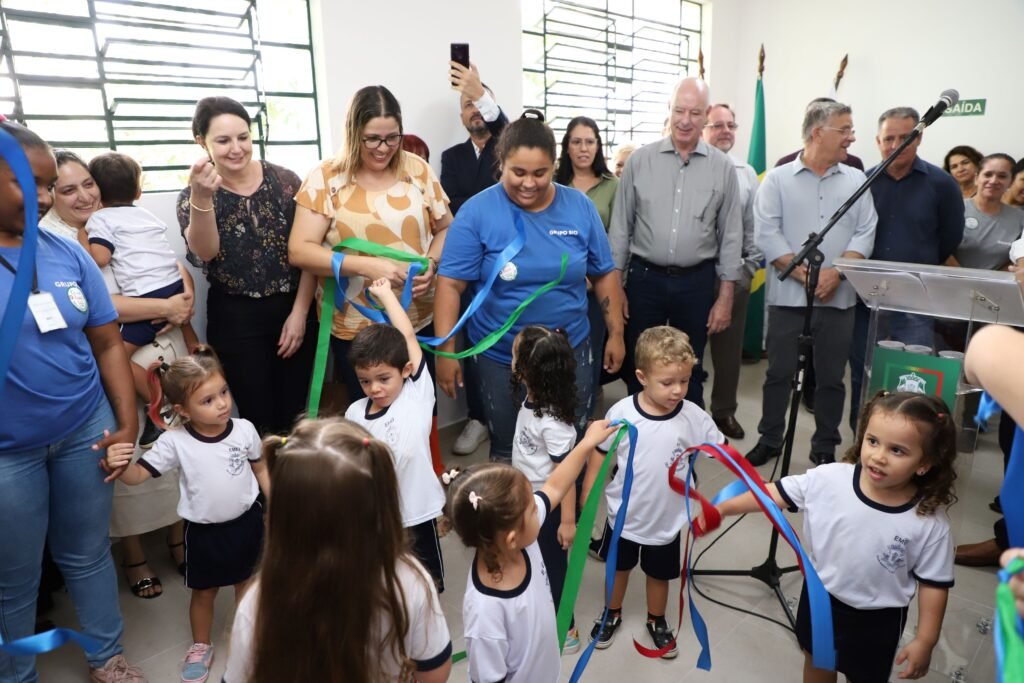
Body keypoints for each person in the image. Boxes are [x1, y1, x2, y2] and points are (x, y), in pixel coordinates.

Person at [0, 120, 145, 682]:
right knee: (14, 578)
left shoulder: (66, 252)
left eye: (46, 185)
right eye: (24, 183)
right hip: (9, 454)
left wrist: (125, 422)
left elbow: (106, 339)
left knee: (87, 554)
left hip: (86, 428)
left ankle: (107, 658)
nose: (41, 198)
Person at [703, 391, 957, 683]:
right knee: (817, 662)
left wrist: (926, 640)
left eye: (897, 450)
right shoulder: (829, 479)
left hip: (878, 620)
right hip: (820, 602)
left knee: (866, 676)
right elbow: (772, 494)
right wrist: (723, 508)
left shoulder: (929, 524)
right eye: (873, 441)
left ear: (924, 463)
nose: (879, 456)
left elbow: (934, 586)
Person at [434, 110, 625, 463]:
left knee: (569, 443)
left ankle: (568, 517)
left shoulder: (579, 207)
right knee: (508, 448)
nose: (528, 183)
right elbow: (450, 285)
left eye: (540, 173)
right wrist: (446, 353)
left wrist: (615, 333)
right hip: (499, 356)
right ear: (501, 164)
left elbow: (603, 274)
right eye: (517, 172)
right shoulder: (476, 213)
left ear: (555, 165)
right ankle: (516, 516)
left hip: (570, 351)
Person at [42, 149, 190, 599]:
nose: (85, 194)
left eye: (89, 184)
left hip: (166, 347)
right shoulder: (51, 240)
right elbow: (94, 308)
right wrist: (166, 305)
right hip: (110, 362)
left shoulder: (118, 220)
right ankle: (134, 554)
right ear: (49, 195)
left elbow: (173, 267)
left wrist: (183, 302)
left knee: (178, 441)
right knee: (126, 449)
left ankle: (179, 538)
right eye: (69, 189)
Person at [222, 418, 453, 683]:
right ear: (382, 506)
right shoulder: (409, 581)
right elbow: (435, 672)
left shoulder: (259, 601)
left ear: (281, 517)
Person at [105, 346, 270, 683]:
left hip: (248, 524)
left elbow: (261, 467)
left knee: (246, 586)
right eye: (208, 400)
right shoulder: (174, 442)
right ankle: (201, 645)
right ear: (182, 410)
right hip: (204, 532)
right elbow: (137, 477)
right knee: (204, 592)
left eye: (223, 392)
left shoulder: (244, 429)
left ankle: (246, 638)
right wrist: (118, 465)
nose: (222, 403)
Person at [288, 85, 450, 407]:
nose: (383, 148)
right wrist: (367, 266)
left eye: (393, 137)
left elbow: (446, 228)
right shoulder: (326, 177)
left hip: (415, 320)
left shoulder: (416, 169)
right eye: (372, 138)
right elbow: (300, 250)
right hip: (356, 328)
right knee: (371, 419)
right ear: (353, 132)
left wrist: (431, 264)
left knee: (419, 414)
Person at [747, 100, 877, 468]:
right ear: (818, 132)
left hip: (839, 298)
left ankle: (825, 445)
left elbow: (866, 231)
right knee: (778, 374)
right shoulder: (777, 179)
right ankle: (770, 437)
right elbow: (767, 233)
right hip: (788, 298)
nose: (852, 137)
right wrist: (807, 275)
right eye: (845, 129)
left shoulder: (857, 180)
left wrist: (836, 274)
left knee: (832, 379)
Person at [581, 326, 724, 657]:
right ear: (642, 376)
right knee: (618, 568)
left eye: (685, 381)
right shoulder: (622, 414)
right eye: (668, 382)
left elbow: (721, 449)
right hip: (624, 516)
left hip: (667, 520)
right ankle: (611, 613)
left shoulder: (694, 417)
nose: (678, 391)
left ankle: (656, 619)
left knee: (660, 574)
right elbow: (598, 457)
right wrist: (587, 501)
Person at [178, 96, 316, 436]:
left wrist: (299, 314)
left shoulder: (286, 182)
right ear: (202, 142)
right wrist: (202, 199)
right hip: (235, 318)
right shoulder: (192, 195)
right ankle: (267, 488)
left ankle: (299, 484)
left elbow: (309, 251)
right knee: (257, 417)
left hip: (292, 306)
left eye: (243, 137)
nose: (236, 148)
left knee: (298, 415)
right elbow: (206, 253)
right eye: (223, 141)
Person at [446, 420, 618, 683]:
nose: (538, 507)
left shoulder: (513, 536)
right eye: (532, 508)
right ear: (513, 537)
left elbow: (555, 486)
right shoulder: (485, 611)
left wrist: (586, 444)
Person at [608, 76, 744, 408]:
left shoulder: (723, 168)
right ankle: (637, 445)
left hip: (696, 282)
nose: (685, 120)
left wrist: (724, 298)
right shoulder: (640, 161)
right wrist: (615, 290)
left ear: (706, 115)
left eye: (695, 113)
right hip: (644, 280)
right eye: (679, 110)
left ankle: (685, 453)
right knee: (640, 367)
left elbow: (730, 237)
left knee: (690, 370)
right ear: (669, 110)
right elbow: (620, 230)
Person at [848, 107, 964, 429]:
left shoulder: (942, 184)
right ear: (877, 141)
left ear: (919, 137)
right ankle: (862, 439)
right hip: (868, 301)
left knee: (911, 376)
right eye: (889, 138)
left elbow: (950, 238)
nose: (896, 144)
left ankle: (907, 442)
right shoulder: (863, 181)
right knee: (863, 373)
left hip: (917, 301)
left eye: (905, 137)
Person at [85, 152, 199, 442]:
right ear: (138, 191)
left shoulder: (100, 220)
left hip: (146, 296)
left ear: (96, 191)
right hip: (172, 284)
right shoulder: (145, 214)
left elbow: (99, 257)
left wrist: (82, 243)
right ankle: (194, 343)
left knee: (115, 358)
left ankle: (159, 404)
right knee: (181, 319)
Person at [344, 279, 447, 590]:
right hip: (378, 520)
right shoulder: (354, 413)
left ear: (405, 370)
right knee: (390, 585)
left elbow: (407, 337)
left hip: (418, 515)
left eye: (383, 378)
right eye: (365, 381)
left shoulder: (417, 394)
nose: (374, 388)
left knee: (428, 585)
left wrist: (387, 295)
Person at [440, 62, 509, 456]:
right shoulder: (452, 157)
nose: (473, 109)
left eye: (480, 101)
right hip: (467, 266)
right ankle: (478, 418)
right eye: (466, 104)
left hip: (507, 265)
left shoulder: (507, 146)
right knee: (470, 342)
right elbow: (452, 206)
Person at [509, 325, 582, 653]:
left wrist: (567, 521)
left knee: (553, 567)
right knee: (532, 559)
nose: (511, 360)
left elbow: (567, 478)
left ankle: (566, 628)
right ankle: (537, 613)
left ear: (528, 371)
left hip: (550, 509)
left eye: (514, 356)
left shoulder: (553, 423)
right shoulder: (533, 398)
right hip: (529, 500)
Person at [702, 103, 763, 440]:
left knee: (728, 355)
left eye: (731, 125)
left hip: (734, 275)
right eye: (717, 125)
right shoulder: (690, 167)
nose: (725, 131)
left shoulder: (746, 171)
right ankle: (688, 413)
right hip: (694, 274)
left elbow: (754, 226)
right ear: (702, 129)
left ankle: (723, 413)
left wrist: (749, 268)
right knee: (689, 349)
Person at [554, 115, 619, 394]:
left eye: (589, 142)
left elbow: (618, 238)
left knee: (588, 364)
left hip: (595, 290)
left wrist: (593, 278)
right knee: (554, 361)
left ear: (598, 146)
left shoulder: (612, 185)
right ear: (566, 146)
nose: (583, 148)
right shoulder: (552, 182)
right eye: (576, 141)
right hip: (555, 287)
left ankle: (589, 422)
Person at [949, 154, 1024, 271]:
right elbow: (940, 250)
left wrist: (988, 282)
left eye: (1002, 176)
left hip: (994, 286)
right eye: (988, 174)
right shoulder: (953, 208)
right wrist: (966, 279)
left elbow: (1016, 259)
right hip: (950, 282)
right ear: (976, 178)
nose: (994, 181)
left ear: (1010, 182)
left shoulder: (1019, 218)